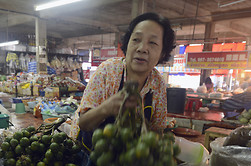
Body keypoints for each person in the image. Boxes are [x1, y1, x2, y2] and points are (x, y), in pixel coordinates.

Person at [69, 12, 175, 147]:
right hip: (85, 152)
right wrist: (105, 109)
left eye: (153, 42)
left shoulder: (158, 84)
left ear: (163, 53)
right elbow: (83, 123)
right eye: (136, 39)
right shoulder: (108, 71)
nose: (142, 48)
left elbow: (156, 131)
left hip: (123, 158)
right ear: (127, 43)